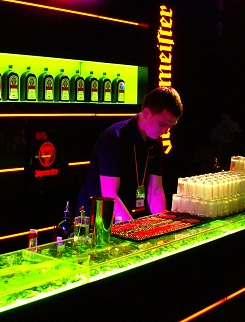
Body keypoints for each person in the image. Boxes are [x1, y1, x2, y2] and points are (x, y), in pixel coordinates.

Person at [77, 86, 183, 222]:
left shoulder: (155, 141)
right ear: (146, 113)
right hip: (97, 217)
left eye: (170, 127)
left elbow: (155, 190)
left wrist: (163, 224)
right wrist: (134, 229)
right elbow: (110, 195)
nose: (165, 131)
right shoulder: (114, 137)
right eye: (162, 124)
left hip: (126, 214)